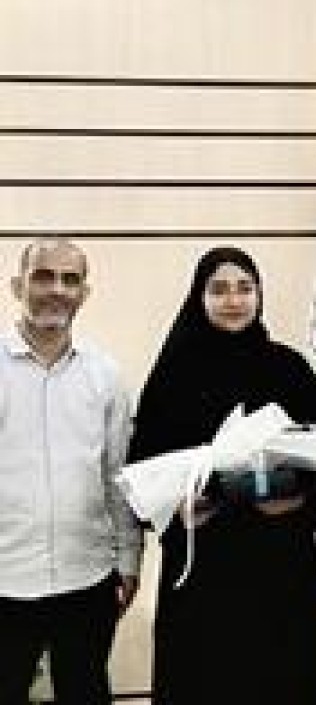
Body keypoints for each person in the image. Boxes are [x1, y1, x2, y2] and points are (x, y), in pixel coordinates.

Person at [129, 246, 316, 704]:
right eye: (219, 289)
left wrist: (299, 499)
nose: (233, 300)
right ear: (199, 297)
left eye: (245, 288)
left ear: (259, 296)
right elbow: (141, 478)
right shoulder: (171, 377)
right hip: (204, 573)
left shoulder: (291, 370)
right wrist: (177, 509)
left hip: (279, 568)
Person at [0, 238, 142, 705]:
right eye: (43, 277)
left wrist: (129, 560)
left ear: (85, 292)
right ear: (17, 286)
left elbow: (117, 476)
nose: (57, 290)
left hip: (87, 580)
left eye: (70, 280)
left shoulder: (105, 375)